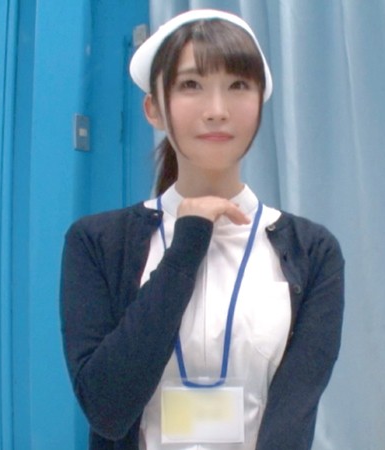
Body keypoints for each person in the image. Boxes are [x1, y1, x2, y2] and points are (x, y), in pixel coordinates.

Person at [60, 9, 344, 450]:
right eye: (191, 85)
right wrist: (188, 241)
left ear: (260, 104)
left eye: (238, 86)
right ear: (154, 109)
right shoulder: (97, 242)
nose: (217, 111)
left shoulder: (313, 251)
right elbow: (107, 407)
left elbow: (294, 416)